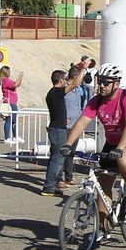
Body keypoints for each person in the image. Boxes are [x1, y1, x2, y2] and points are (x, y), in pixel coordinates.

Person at [61, 62, 126, 213]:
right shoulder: (97, 100)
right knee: (103, 185)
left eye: (106, 82)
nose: (101, 85)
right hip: (112, 142)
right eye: (99, 81)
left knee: (123, 159)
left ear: (117, 83)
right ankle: (102, 228)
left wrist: (120, 148)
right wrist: (68, 144)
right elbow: (82, 123)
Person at [41, 68, 79, 196]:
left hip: (58, 127)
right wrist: (83, 69)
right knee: (57, 159)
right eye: (64, 79)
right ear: (61, 80)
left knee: (57, 159)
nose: (66, 82)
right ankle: (49, 187)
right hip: (57, 131)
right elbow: (75, 84)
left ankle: (54, 184)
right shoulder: (56, 92)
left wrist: (63, 119)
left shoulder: (52, 93)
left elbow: (56, 110)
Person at [0, 67, 21, 142]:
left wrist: (20, 79)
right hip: (9, 102)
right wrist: (20, 76)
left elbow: (17, 84)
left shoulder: (7, 80)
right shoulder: (5, 80)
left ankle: (15, 136)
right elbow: (15, 85)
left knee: (14, 120)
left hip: (13, 102)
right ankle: (7, 138)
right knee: (9, 120)